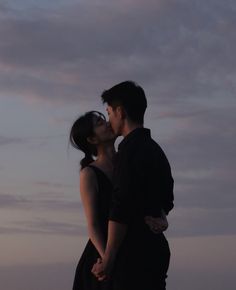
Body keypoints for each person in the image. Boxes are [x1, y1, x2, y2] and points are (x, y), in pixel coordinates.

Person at [70, 110, 168, 290]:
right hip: (104, 255)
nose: (108, 123)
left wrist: (162, 218)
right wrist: (108, 260)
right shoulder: (89, 174)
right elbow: (93, 225)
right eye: (100, 123)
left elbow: (152, 197)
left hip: (138, 249)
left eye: (104, 119)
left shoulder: (129, 160)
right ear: (92, 139)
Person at [92, 81, 174, 290]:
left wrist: (109, 256)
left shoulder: (128, 152)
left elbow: (121, 205)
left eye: (109, 112)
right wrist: (161, 216)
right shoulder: (156, 150)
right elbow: (167, 198)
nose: (109, 120)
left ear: (120, 112)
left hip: (133, 252)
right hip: (157, 249)